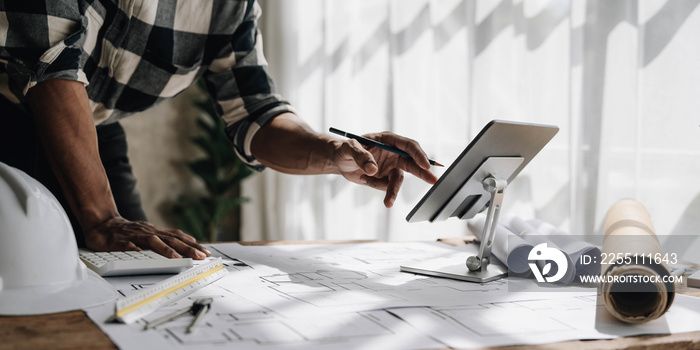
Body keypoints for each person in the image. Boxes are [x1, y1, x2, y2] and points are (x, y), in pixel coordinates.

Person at [0, 0, 437, 260]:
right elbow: (50, 67)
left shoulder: (232, 7)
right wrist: (103, 218)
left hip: (95, 127)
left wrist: (335, 151)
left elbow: (257, 111)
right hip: (10, 110)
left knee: (137, 277)